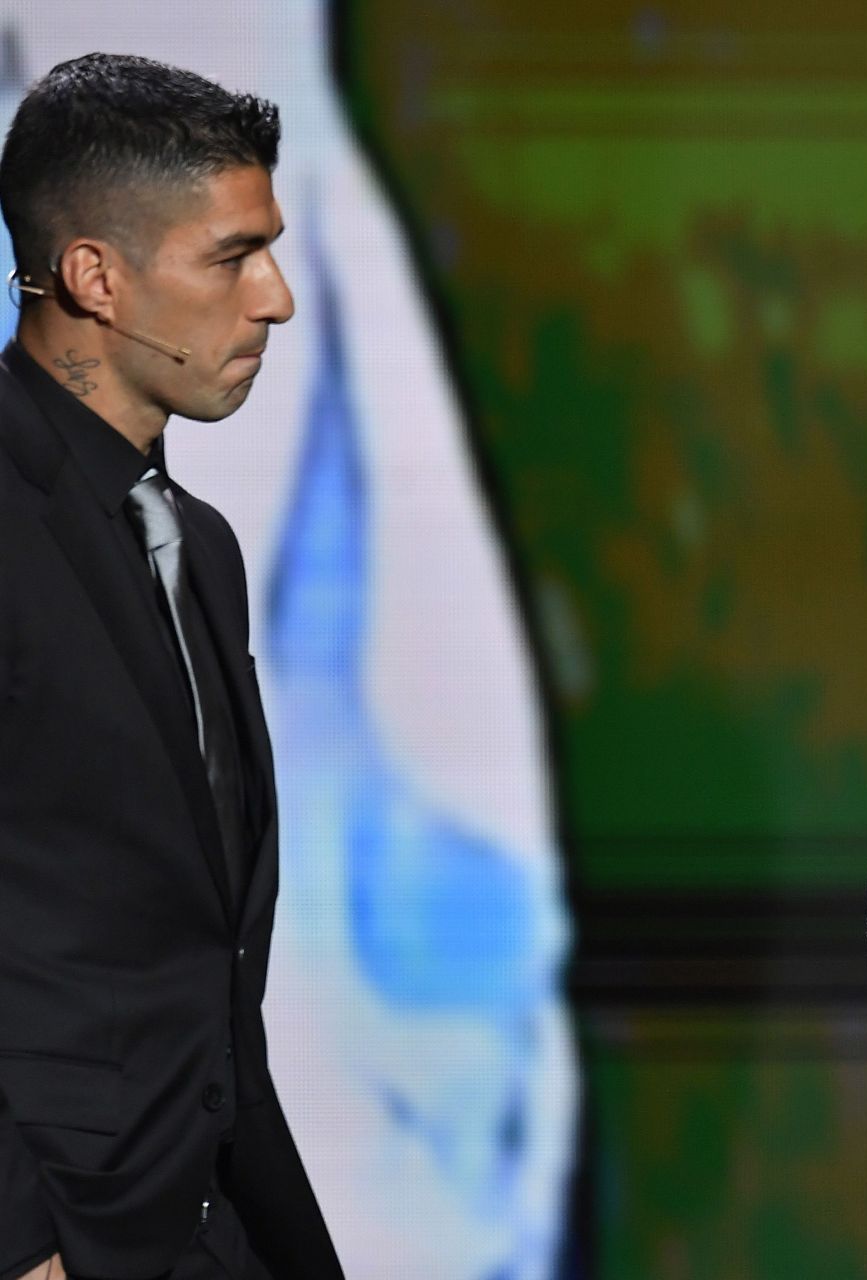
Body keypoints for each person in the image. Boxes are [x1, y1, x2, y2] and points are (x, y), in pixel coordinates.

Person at [0, 54, 341, 1279]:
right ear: (94, 273)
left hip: (216, 1209)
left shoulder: (199, 545)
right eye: (232, 255)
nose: (278, 298)